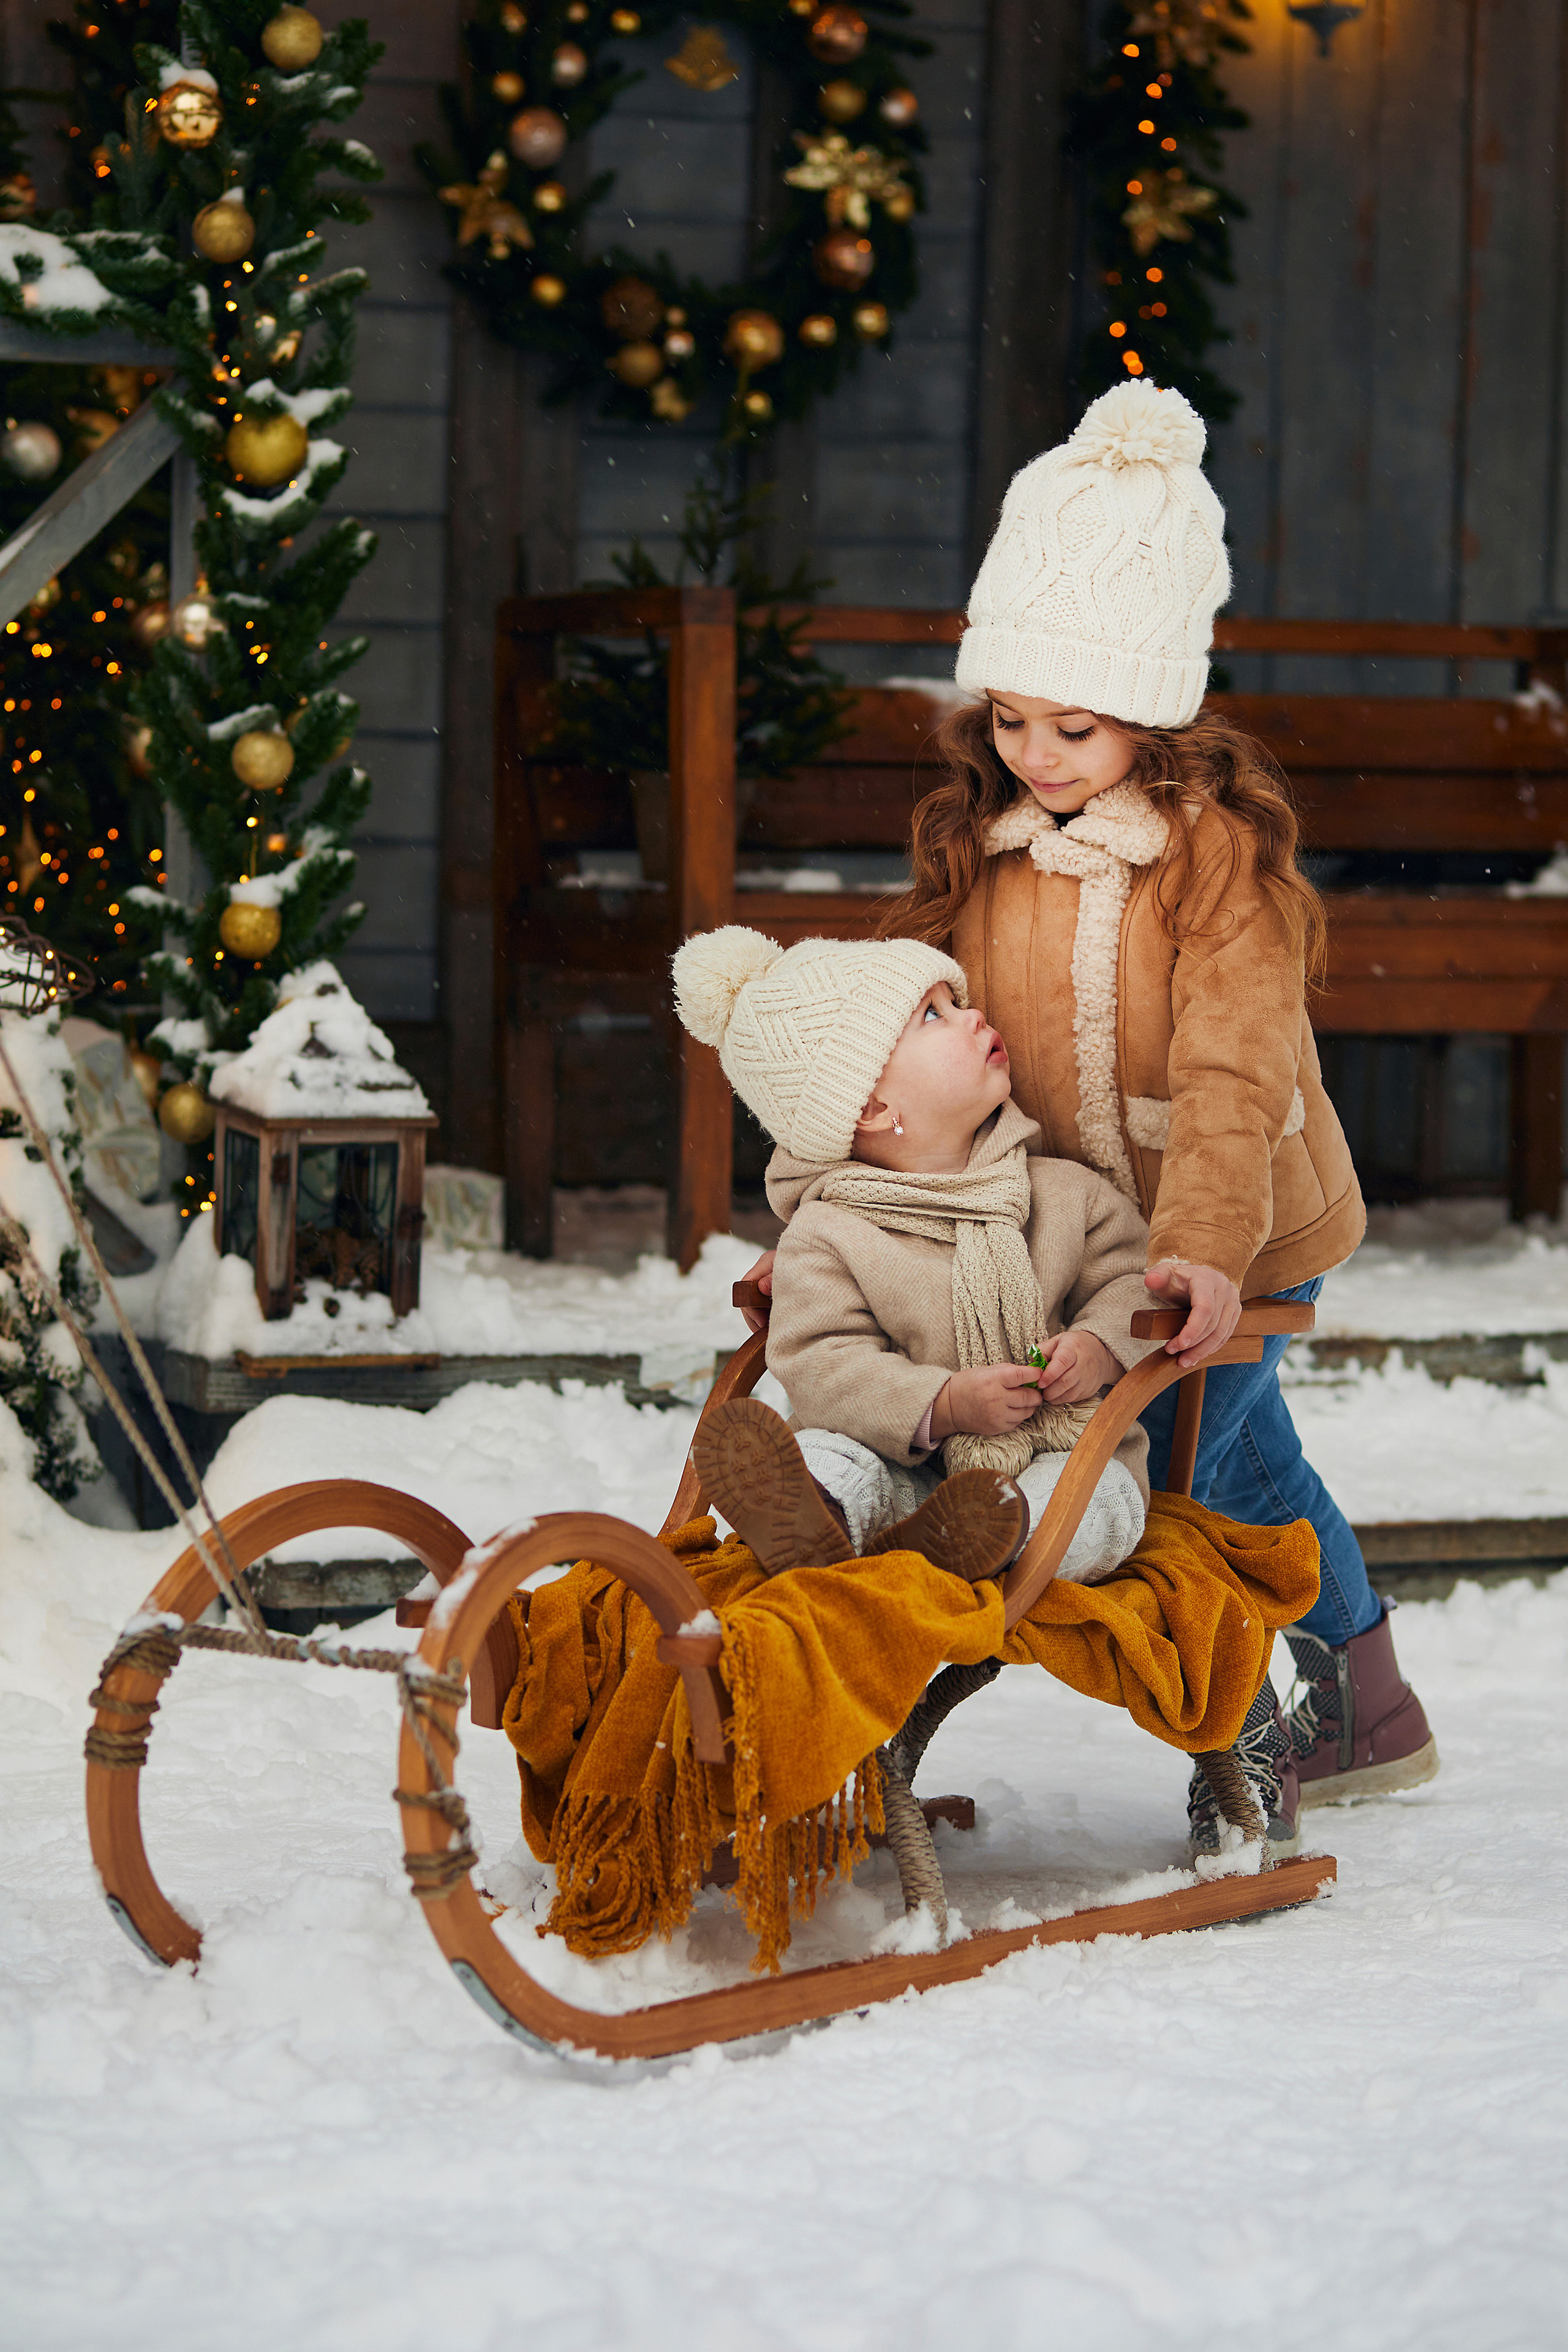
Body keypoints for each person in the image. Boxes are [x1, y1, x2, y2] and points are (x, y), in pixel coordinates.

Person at [736, 376, 1436, 1822]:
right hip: (1076, 1233)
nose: (1035, 756)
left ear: (1151, 718)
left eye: (1073, 727)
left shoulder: (1211, 863)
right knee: (1238, 1464)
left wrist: (1203, 1252)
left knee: (1192, 1472)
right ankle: (1364, 1694)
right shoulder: (982, 841)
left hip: (1229, 1227)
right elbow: (884, 1045)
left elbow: (1233, 1078)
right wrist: (817, 1224)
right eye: (1009, 719)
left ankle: (1280, 1714)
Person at [675, 924, 1304, 1856]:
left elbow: (1128, 1281)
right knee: (829, 1447)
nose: (972, 1017)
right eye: (932, 1016)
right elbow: (821, 1361)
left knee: (1091, 1507)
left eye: (956, 1000)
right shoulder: (829, 1234)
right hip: (911, 1474)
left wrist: (1096, 1350)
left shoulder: (1064, 1194)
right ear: (873, 1107)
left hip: (1063, 1461)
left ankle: (993, 1538)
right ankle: (812, 1515)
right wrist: (939, 1404)